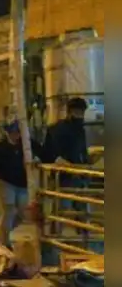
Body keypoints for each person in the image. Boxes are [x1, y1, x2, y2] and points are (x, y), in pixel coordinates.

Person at [0, 121, 42, 246]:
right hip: (6, 182)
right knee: (9, 210)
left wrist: (38, 160)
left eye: (17, 132)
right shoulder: (0, 148)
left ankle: (3, 233)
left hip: (22, 184)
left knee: (22, 212)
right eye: (13, 133)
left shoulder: (28, 145)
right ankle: (4, 242)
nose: (15, 135)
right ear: (7, 133)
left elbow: (43, 154)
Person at [43, 97, 91, 227]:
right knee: (64, 208)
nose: (80, 116)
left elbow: (82, 150)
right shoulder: (58, 130)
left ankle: (79, 235)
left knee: (77, 207)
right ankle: (60, 235)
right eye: (77, 112)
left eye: (81, 113)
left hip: (76, 174)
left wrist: (86, 164)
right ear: (70, 112)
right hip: (64, 175)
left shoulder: (79, 129)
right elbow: (49, 152)